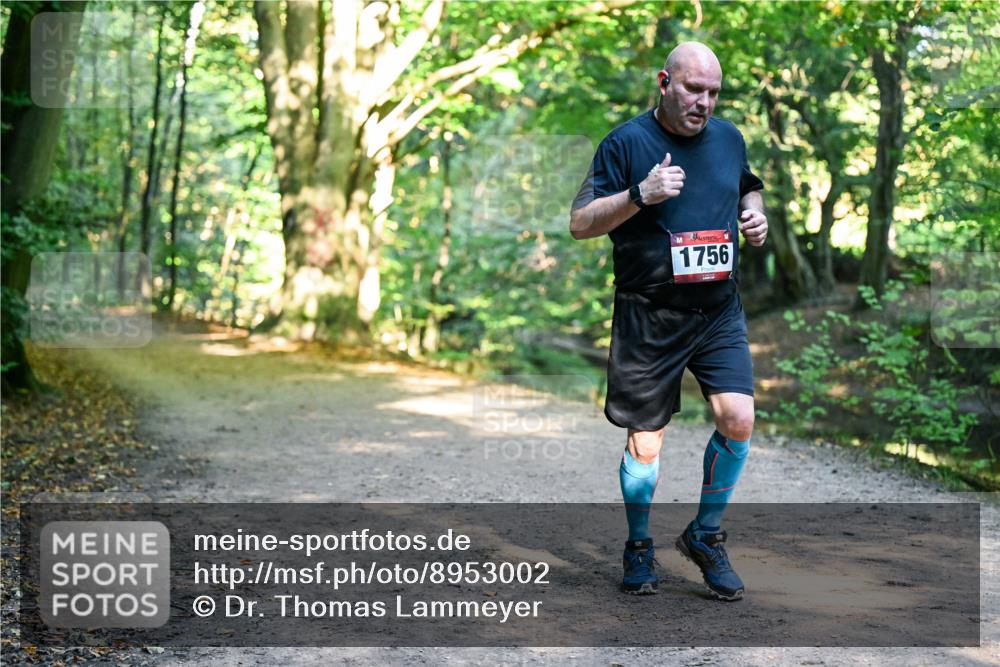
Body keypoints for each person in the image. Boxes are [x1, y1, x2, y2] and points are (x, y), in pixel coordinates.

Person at [569, 42, 768, 600]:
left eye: (713, 92)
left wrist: (755, 213)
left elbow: (746, 183)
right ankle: (638, 546)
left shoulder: (728, 138)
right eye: (692, 89)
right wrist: (640, 194)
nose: (703, 102)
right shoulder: (626, 143)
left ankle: (705, 536)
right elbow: (581, 222)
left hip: (717, 309)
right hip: (649, 314)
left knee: (739, 420)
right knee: (647, 443)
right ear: (664, 82)